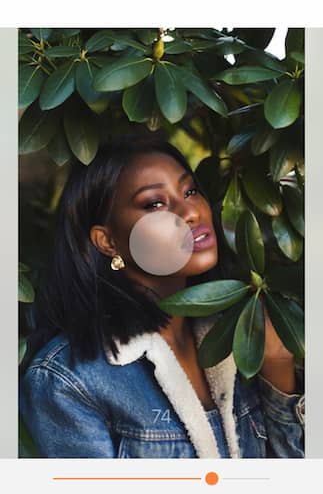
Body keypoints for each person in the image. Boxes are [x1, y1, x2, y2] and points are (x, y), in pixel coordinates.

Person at [19, 135, 304, 458]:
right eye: (155, 204)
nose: (191, 212)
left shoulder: (242, 336)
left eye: (190, 191)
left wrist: (277, 368)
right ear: (107, 241)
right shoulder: (68, 381)